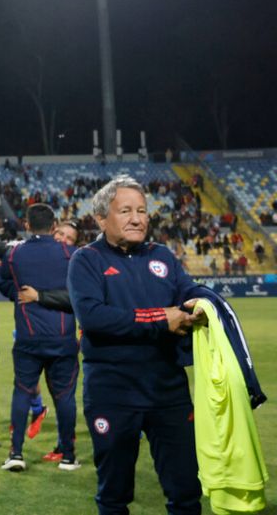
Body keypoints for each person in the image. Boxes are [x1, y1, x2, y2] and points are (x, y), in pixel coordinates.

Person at [68, 175, 206, 514]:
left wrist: (207, 304)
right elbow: (93, 317)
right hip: (113, 393)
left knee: (187, 490)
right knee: (114, 495)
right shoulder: (86, 260)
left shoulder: (163, 256)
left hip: (168, 391)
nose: (137, 218)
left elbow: (191, 294)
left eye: (142, 210)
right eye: (126, 210)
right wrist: (161, 318)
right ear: (101, 218)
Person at [0, 204, 80, 472]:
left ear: (27, 226)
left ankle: (16, 453)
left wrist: (18, 293)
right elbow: (81, 297)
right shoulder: (73, 255)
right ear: (54, 226)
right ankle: (67, 457)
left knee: (22, 392)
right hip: (63, 339)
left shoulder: (15, 255)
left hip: (29, 339)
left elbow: (1, 279)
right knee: (64, 397)